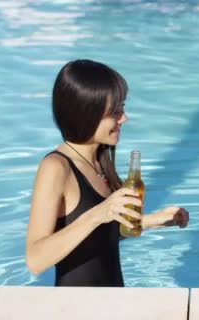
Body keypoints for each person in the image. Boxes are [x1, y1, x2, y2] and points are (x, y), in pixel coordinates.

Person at [25, 59, 189, 287]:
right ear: (86, 113)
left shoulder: (100, 159)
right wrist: (98, 213)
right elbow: (35, 259)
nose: (124, 118)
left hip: (113, 301)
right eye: (115, 111)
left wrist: (149, 221)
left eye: (122, 107)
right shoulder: (56, 167)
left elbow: (97, 236)